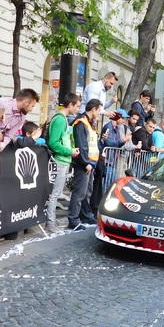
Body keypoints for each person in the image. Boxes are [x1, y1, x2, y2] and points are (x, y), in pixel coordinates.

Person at [45, 93, 81, 234]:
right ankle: (50, 222)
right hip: (60, 160)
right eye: (77, 106)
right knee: (54, 194)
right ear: (70, 104)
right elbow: (53, 143)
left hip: (63, 160)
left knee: (56, 193)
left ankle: (51, 221)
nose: (78, 109)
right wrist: (69, 151)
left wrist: (69, 151)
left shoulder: (62, 119)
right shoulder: (60, 120)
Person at [68, 98, 102, 230]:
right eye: (98, 110)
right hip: (85, 164)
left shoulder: (88, 122)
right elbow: (81, 145)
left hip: (89, 163)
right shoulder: (81, 123)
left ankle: (85, 216)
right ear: (93, 109)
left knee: (86, 192)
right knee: (80, 192)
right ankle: (73, 219)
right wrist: (86, 162)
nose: (99, 113)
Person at [0, 88, 40, 152]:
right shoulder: (1, 103)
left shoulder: (22, 117)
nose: (32, 110)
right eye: (32, 106)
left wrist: (0, 146)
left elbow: (9, 135)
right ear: (26, 102)